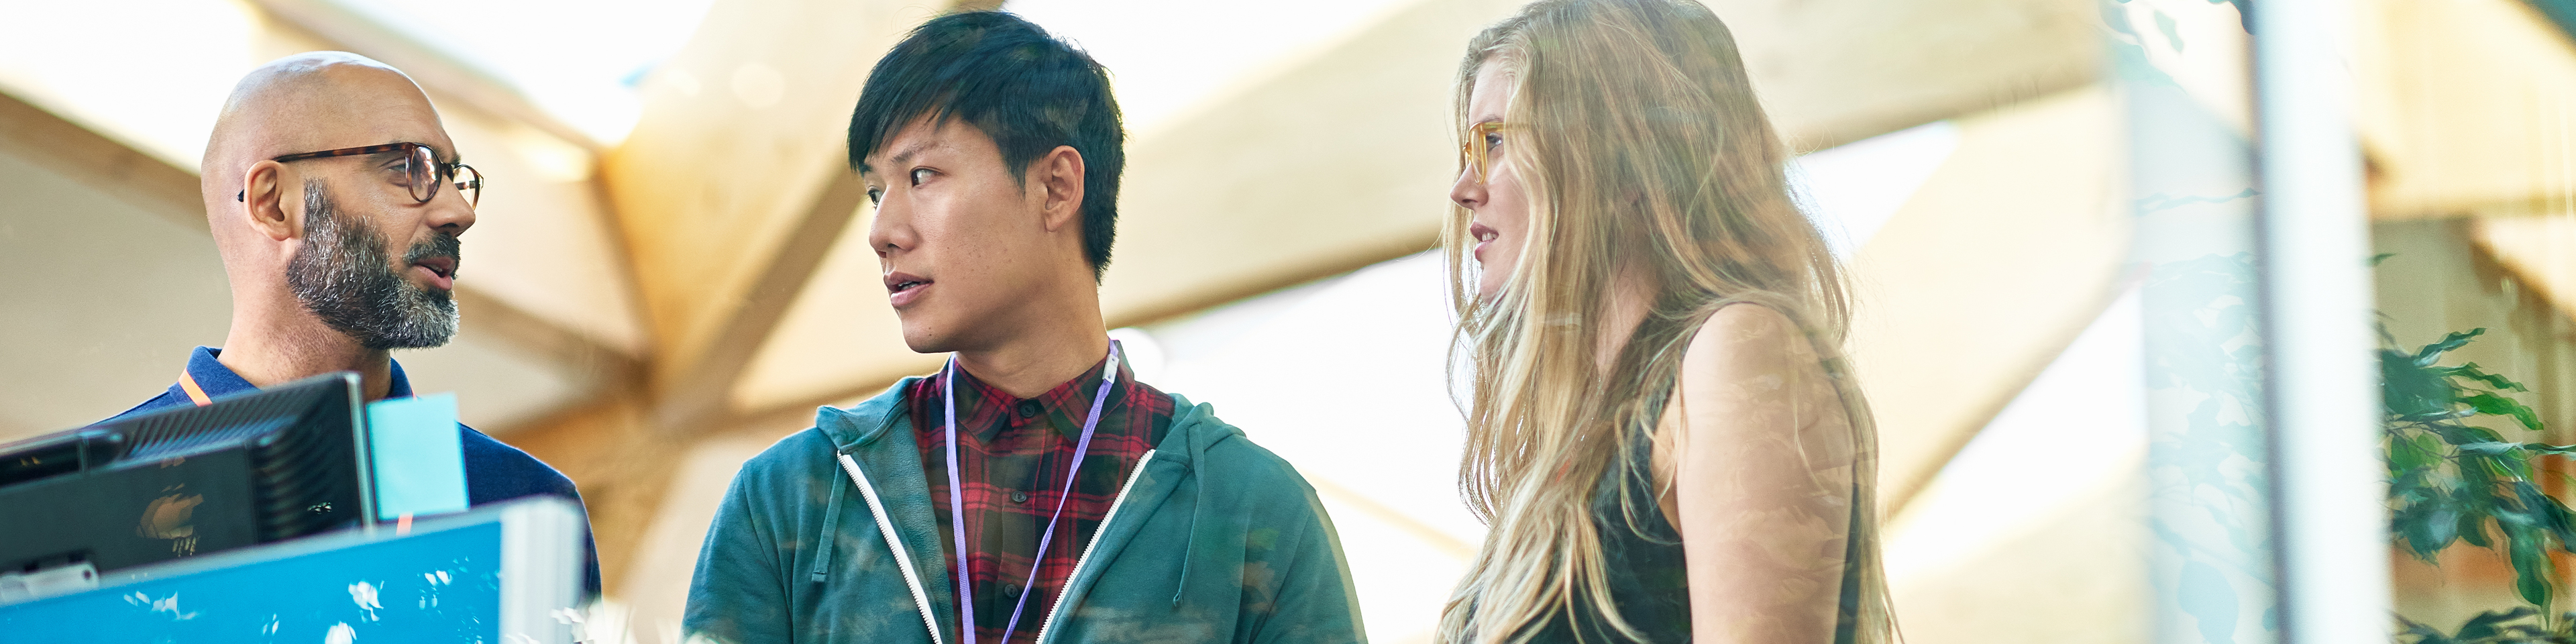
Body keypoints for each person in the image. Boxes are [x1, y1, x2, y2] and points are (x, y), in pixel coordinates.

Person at [682, 11, 1366, 644]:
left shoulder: (1257, 516)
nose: (882, 232)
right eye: (874, 192)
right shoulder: (790, 497)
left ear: (1057, 188)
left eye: (921, 175)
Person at [1437, 1, 1895, 643]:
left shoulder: (1739, 348)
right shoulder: (1583, 437)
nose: (1464, 187)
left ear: (1624, 156)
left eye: (1497, 140)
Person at [96, 52, 600, 597]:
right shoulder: (71, 503)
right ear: (271, 203)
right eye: (408, 167)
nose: (460, 211)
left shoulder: (525, 504)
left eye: (454, 176)